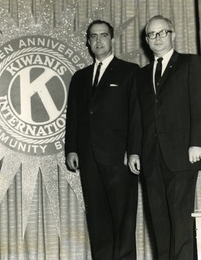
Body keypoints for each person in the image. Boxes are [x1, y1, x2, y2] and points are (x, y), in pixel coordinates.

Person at [128, 15, 201, 260]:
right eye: (151, 34)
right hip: (151, 158)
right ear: (146, 40)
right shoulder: (141, 76)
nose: (157, 38)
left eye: (162, 32)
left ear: (172, 34)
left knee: (180, 221)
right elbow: (137, 117)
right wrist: (134, 150)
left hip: (182, 155)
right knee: (160, 224)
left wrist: (197, 142)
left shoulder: (189, 63)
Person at [65, 20, 140, 260]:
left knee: (123, 219)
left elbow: (136, 115)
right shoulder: (80, 77)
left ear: (112, 39)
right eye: (93, 36)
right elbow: (74, 116)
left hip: (120, 158)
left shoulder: (130, 71)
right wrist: (72, 149)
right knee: (97, 221)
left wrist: (134, 150)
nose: (98, 41)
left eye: (104, 35)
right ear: (88, 42)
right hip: (88, 158)